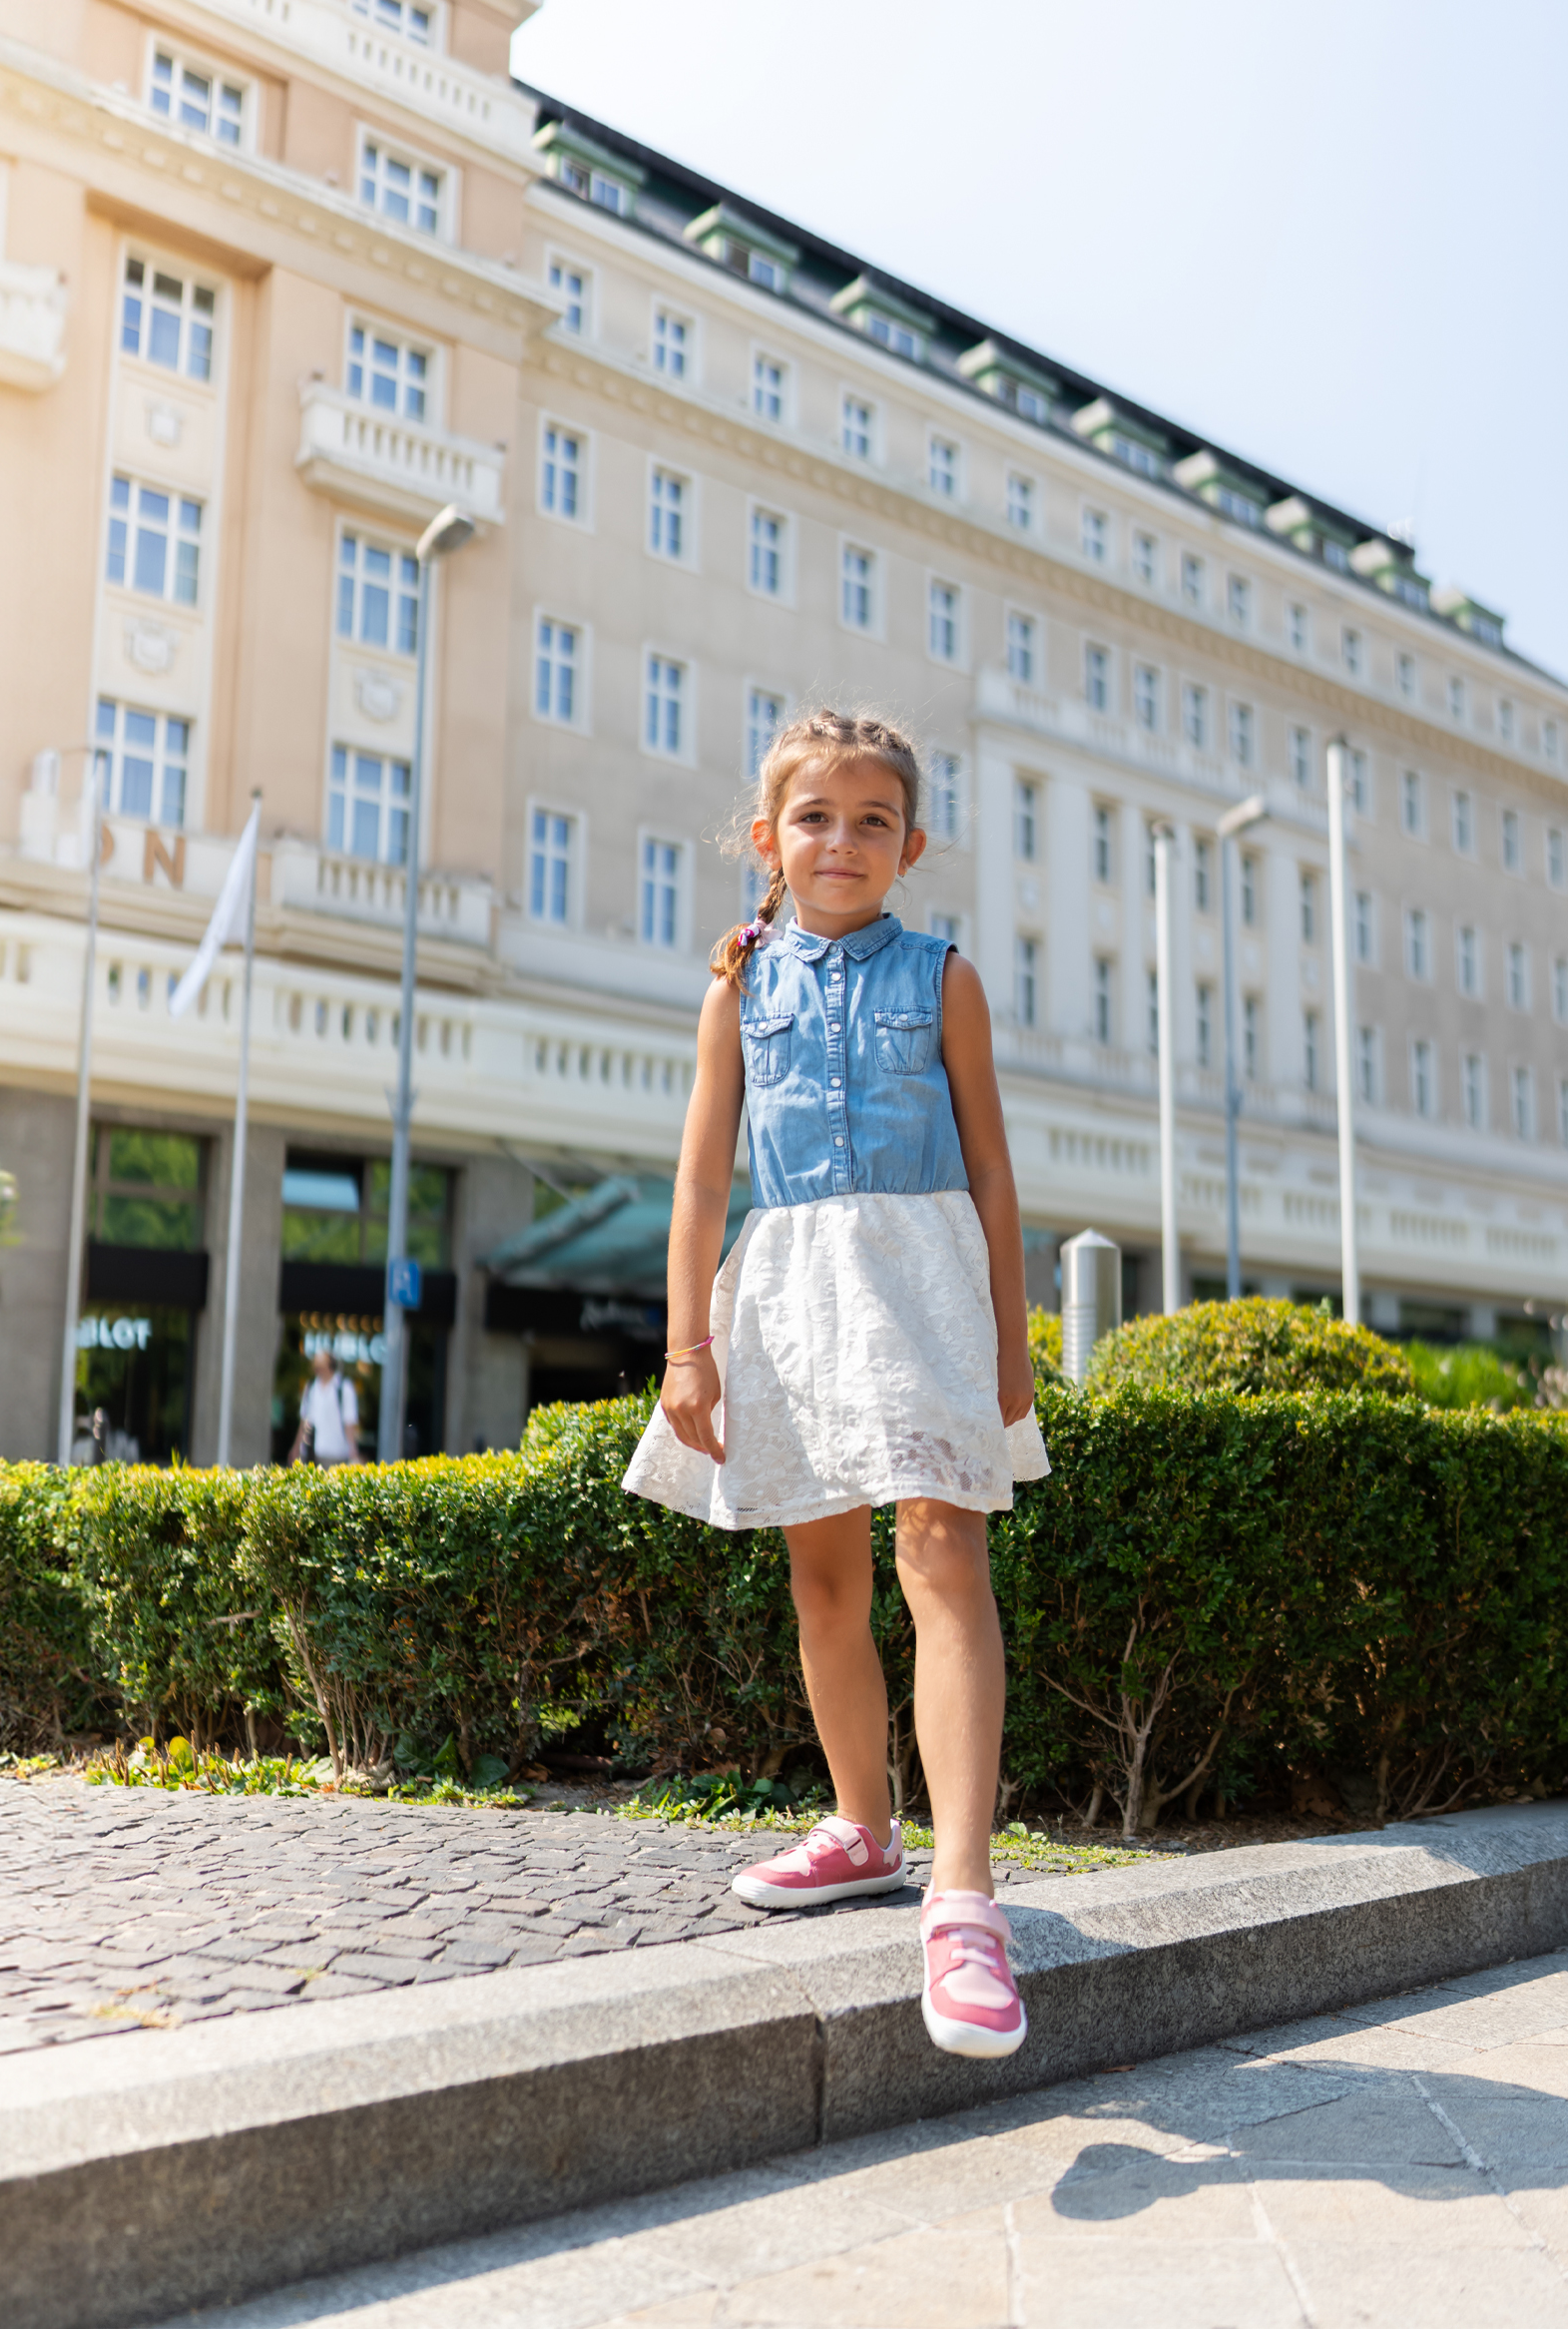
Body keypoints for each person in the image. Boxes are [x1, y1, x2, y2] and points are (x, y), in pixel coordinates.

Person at [625, 709, 1046, 2061]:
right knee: (823, 1577)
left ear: (911, 845)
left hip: (923, 1275)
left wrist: (1010, 1331)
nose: (843, 841)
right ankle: (865, 1825)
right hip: (794, 1289)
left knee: (942, 1554)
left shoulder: (949, 976)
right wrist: (689, 1341)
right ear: (769, 838)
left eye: (874, 821)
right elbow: (698, 1179)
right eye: (816, 817)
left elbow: (990, 1168)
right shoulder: (736, 987)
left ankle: (965, 1894)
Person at [292, 1346, 363, 1467]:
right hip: (310, 1452)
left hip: (336, 1452)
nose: (316, 1369)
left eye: (320, 1365)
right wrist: (297, 1446)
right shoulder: (311, 1388)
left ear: (330, 1365)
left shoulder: (344, 1388)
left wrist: (353, 1450)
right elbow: (305, 1420)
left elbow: (349, 1422)